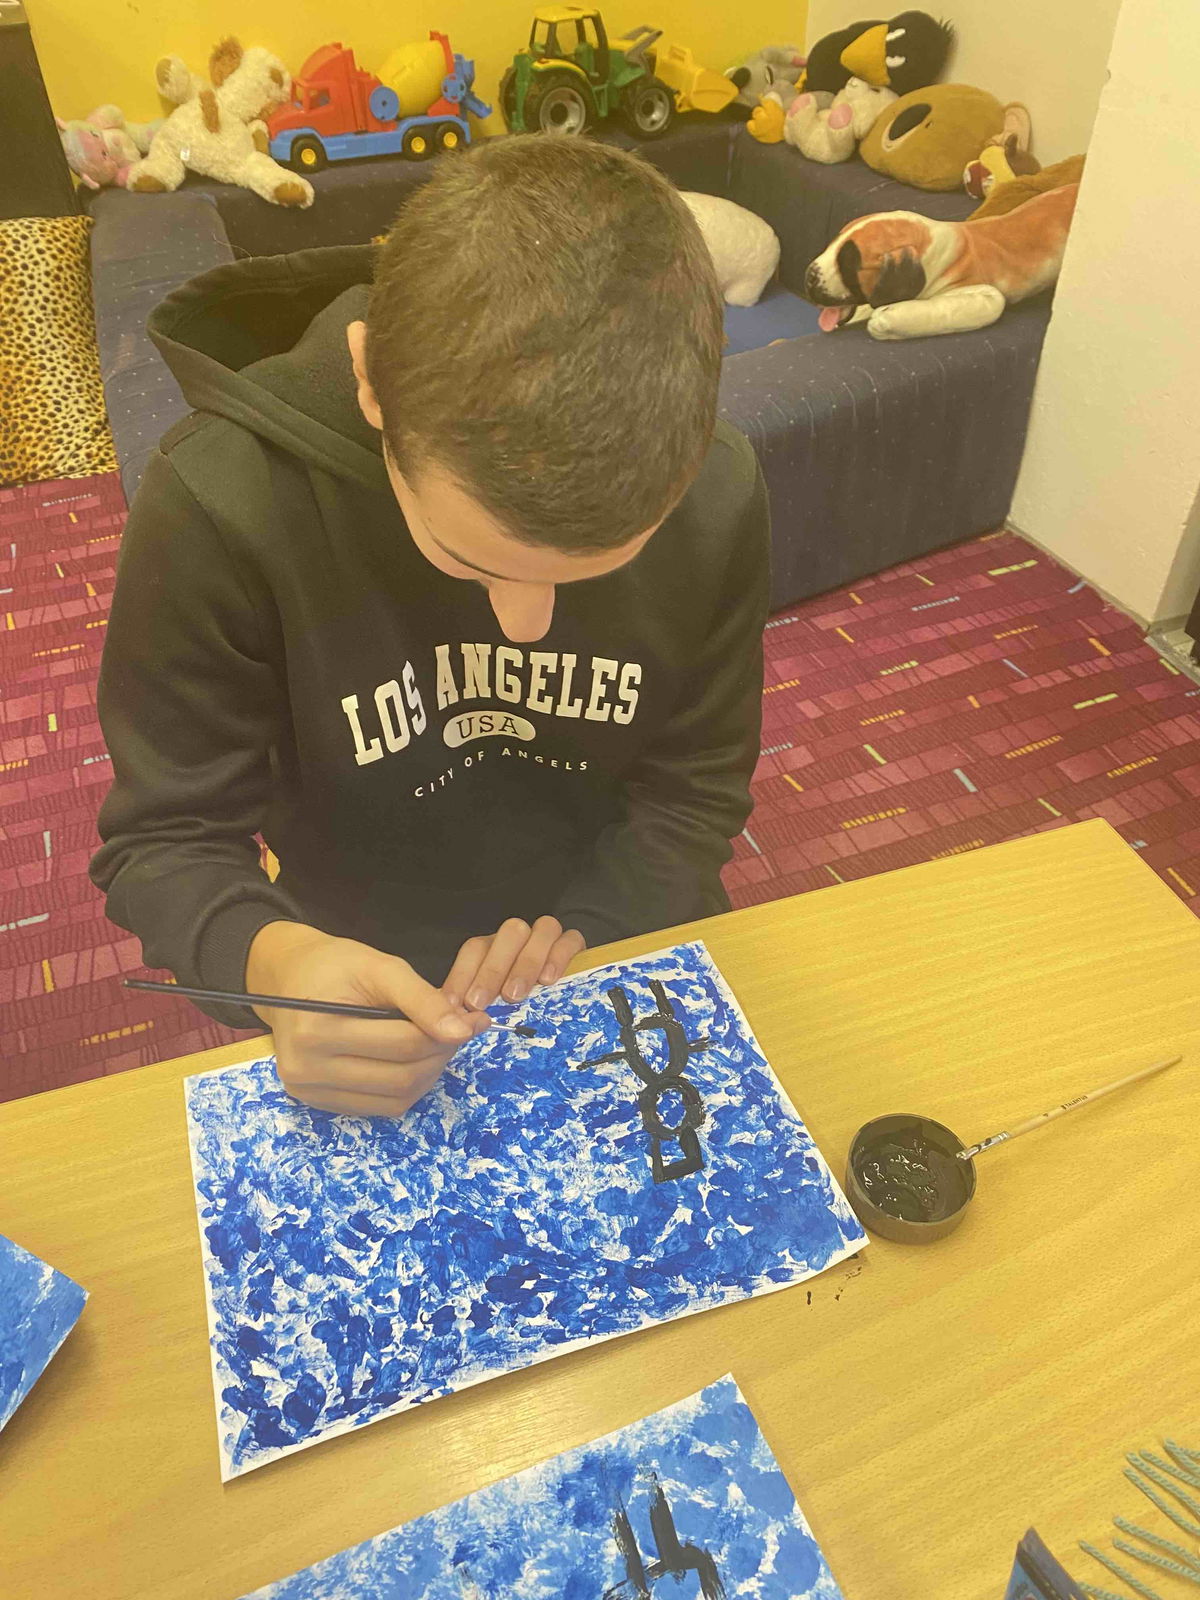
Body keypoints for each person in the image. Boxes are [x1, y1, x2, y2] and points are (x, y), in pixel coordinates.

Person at [91, 135, 770, 1117]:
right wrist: (276, 964)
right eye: (471, 562)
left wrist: (601, 925)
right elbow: (162, 839)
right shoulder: (220, 501)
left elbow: (697, 788)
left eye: (599, 570)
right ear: (370, 382)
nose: (528, 629)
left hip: (623, 922)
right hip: (359, 953)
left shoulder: (718, 490)